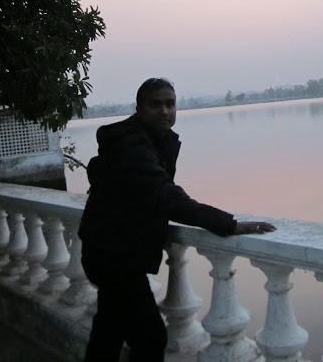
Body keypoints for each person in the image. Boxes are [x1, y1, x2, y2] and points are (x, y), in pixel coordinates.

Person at [78, 77, 275, 362]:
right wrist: (228, 224)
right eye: (155, 104)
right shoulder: (130, 141)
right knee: (150, 338)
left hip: (111, 249)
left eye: (170, 104)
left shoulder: (154, 139)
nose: (164, 111)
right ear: (139, 107)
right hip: (114, 256)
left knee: (109, 330)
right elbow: (164, 195)